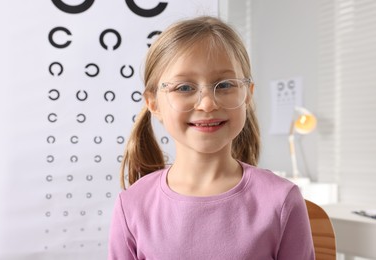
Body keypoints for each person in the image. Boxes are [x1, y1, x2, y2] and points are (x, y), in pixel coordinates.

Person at [108, 16, 315, 260]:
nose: (207, 103)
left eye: (225, 84)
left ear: (247, 96)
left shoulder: (282, 200)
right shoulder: (132, 204)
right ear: (153, 103)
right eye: (184, 87)